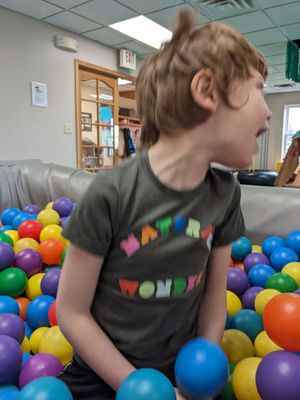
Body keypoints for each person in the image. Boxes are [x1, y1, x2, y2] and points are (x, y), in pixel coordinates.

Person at [56, 9, 271, 400]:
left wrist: (200, 370)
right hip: (104, 374)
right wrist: (137, 388)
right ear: (206, 91)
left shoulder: (224, 192)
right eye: (258, 88)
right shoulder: (111, 192)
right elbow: (71, 311)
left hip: (182, 368)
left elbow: (213, 296)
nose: (269, 111)